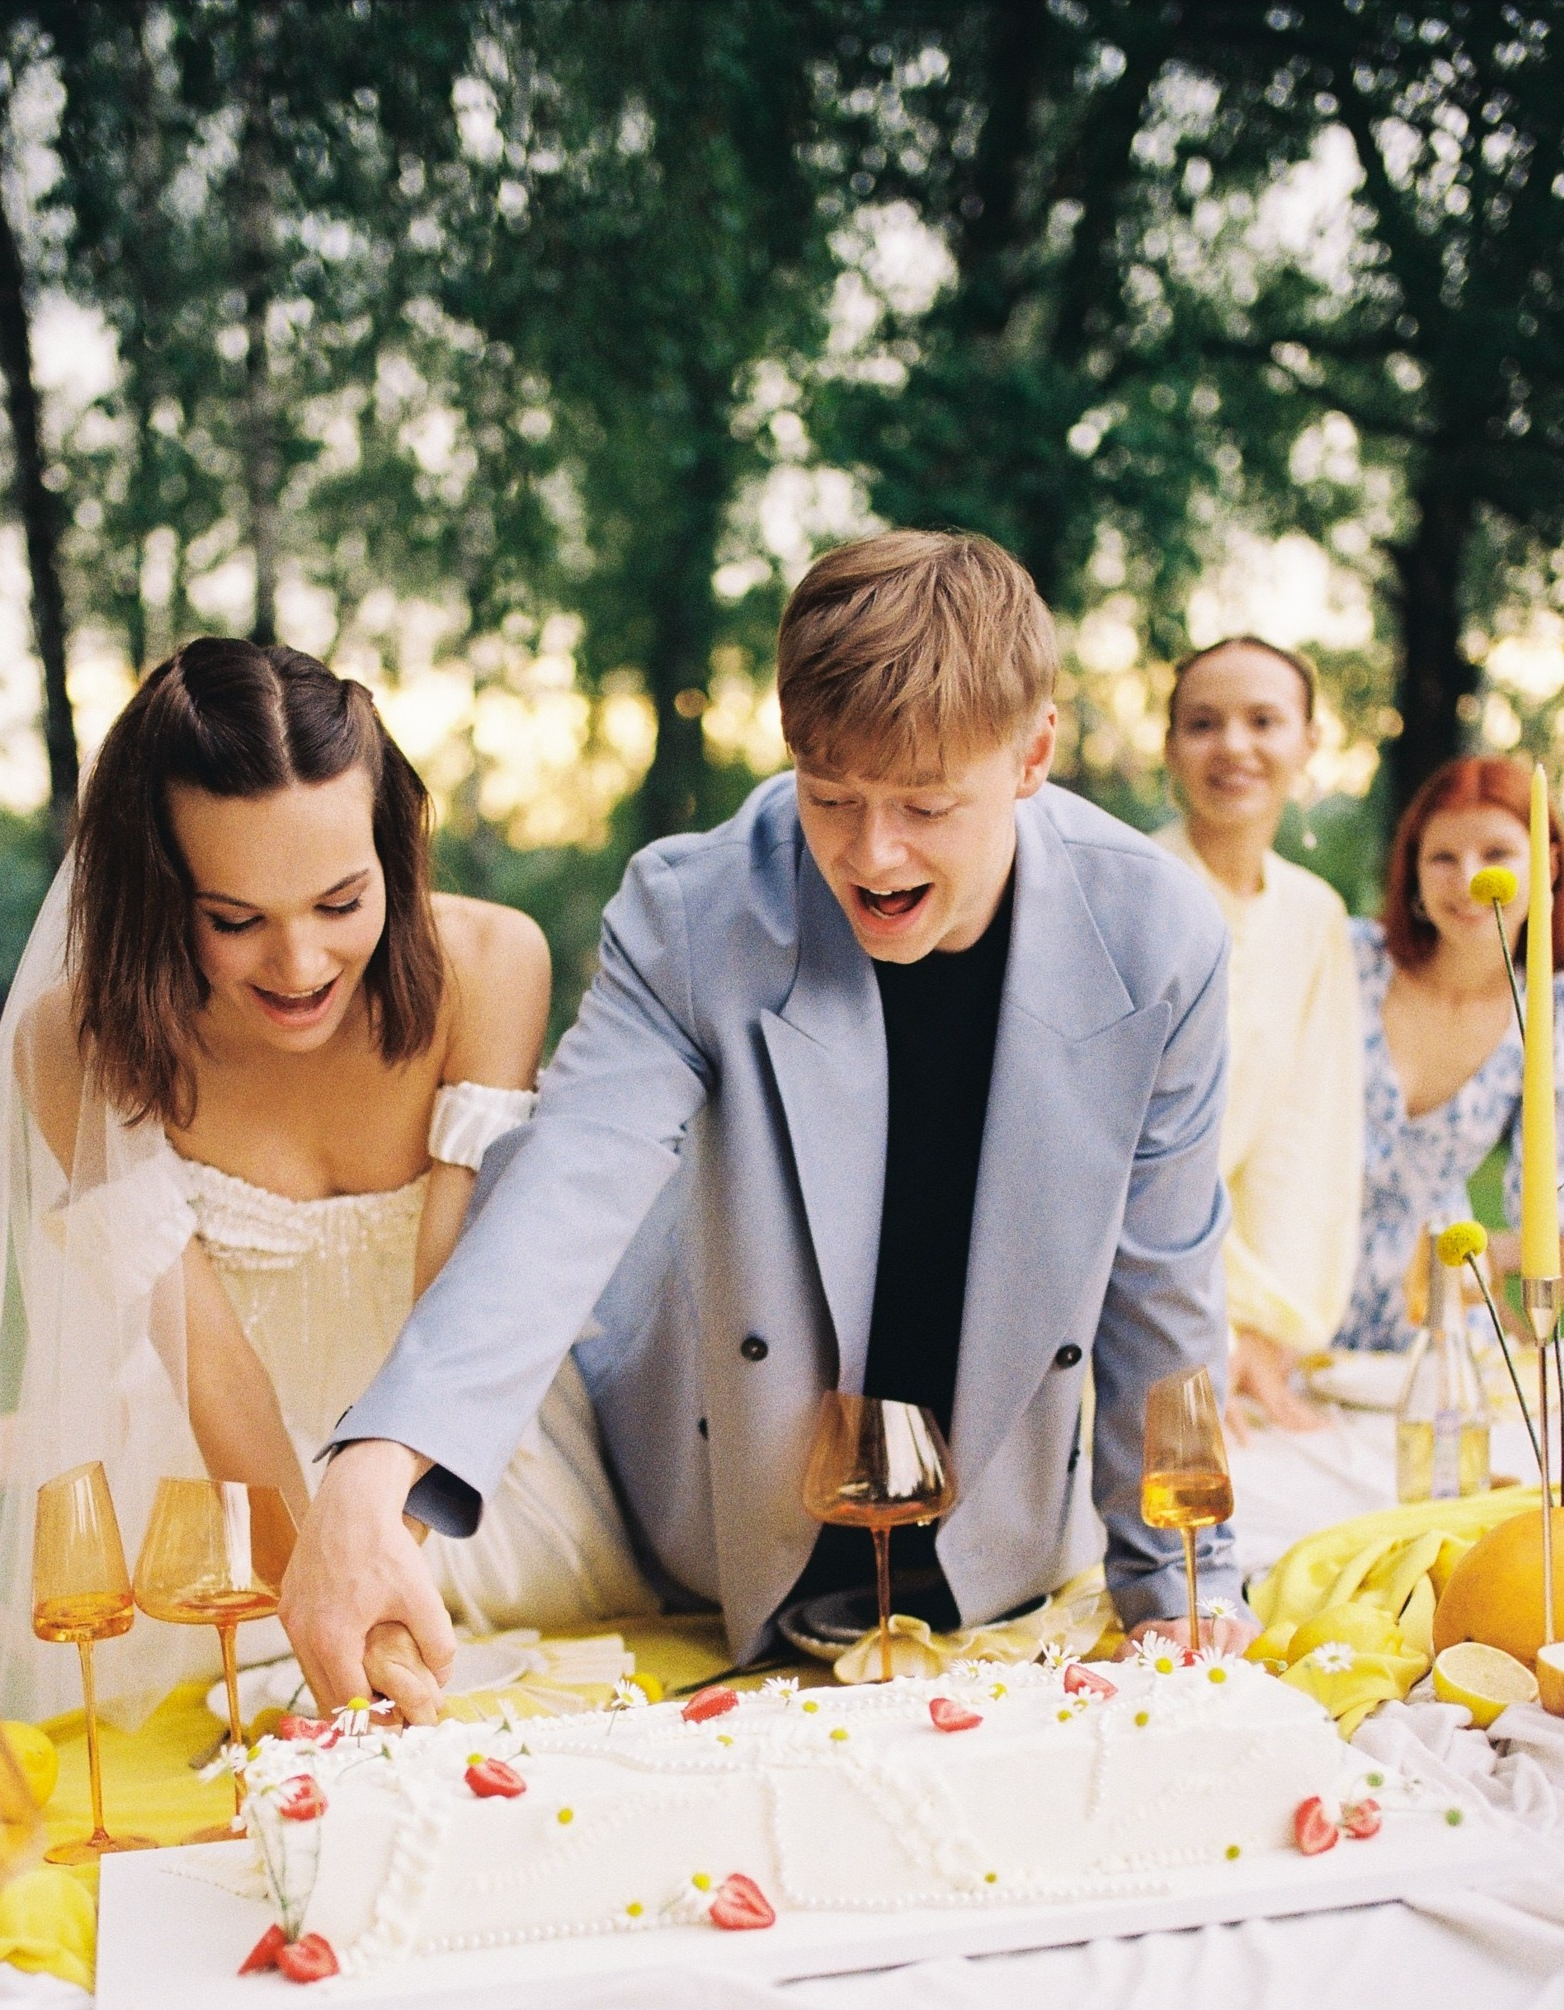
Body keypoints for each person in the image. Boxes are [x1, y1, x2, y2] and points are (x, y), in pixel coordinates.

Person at [280, 528, 1248, 1723]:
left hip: (1001, 1560)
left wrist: (1172, 1590)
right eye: (830, 795)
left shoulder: (1160, 938)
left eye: (927, 805)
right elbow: (565, 1187)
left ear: (1034, 752)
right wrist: (382, 1462)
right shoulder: (693, 910)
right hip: (727, 1529)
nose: (872, 854)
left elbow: (1161, 1292)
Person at [0, 639, 653, 1725]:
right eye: (235, 921)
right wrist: (313, 1594)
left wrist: (376, 1563)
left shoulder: (492, 965)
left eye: (341, 903)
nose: (299, 966)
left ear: (394, 854)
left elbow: (450, 1301)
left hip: (462, 1463)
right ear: (159, 894)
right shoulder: (75, 1043)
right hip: (231, 1496)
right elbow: (215, 1371)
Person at [1336, 753, 1564, 1400]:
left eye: (1496, 852)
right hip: (1299, 1288)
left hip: (1443, 1302)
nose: (1468, 880)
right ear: (1412, 873)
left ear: (1548, 866)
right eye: (1441, 857)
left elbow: (1560, 1207)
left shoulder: (1561, 1008)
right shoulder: (1348, 959)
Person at [1149, 638, 1363, 1440]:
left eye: (1263, 720)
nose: (1232, 746)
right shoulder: (1127, 892)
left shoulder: (1316, 915)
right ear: (1169, 747)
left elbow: (1303, 1144)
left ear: (1309, 741)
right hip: (1124, 1312)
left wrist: (1264, 1333)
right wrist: (1191, 1337)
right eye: (1202, 723)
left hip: (1240, 1333)